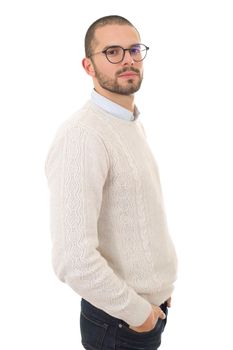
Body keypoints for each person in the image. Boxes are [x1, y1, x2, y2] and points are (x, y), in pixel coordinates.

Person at [45, 15, 178, 350]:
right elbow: (73, 260)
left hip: (141, 314)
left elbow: (138, 217)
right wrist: (139, 313)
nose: (128, 60)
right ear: (89, 66)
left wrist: (158, 290)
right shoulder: (83, 136)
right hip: (119, 324)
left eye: (134, 50)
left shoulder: (128, 123)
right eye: (113, 52)